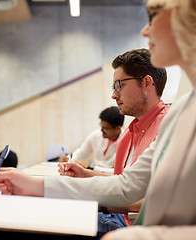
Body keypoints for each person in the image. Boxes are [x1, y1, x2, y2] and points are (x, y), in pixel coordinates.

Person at [0, 0, 196, 238]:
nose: (145, 29)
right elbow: (127, 185)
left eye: (154, 14)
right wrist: (33, 185)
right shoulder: (184, 107)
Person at [58, 48, 169, 233]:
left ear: (147, 83)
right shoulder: (131, 132)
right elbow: (126, 184)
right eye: (113, 87)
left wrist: (100, 202)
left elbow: (159, 201)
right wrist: (85, 174)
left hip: (132, 227)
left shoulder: (168, 128)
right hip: (120, 217)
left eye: (119, 85)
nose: (114, 95)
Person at [58, 106, 124, 174]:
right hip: (92, 174)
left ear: (118, 128)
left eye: (105, 128)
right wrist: (68, 159)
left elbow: (120, 172)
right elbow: (81, 153)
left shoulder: (127, 142)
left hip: (111, 179)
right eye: (101, 126)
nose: (101, 130)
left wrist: (90, 168)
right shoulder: (96, 135)